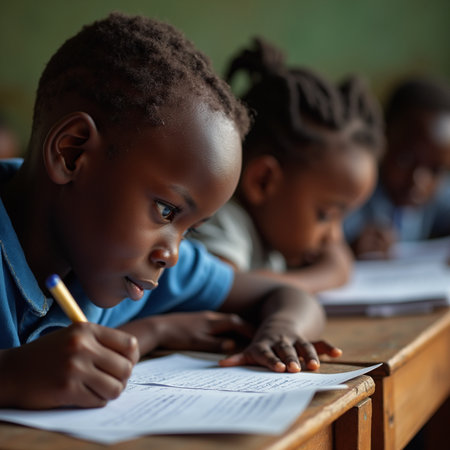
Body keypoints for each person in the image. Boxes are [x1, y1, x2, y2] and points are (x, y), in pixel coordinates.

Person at [0, 13, 341, 410]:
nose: (172, 253)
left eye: (189, 229)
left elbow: (287, 296)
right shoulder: (112, 255)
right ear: (72, 153)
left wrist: (279, 331)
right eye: (165, 212)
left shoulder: (120, 263)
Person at [190, 38, 384, 294]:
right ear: (263, 181)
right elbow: (221, 292)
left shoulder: (273, 239)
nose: (334, 237)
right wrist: (326, 275)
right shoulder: (223, 220)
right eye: (325, 215)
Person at [345, 76, 450, 259]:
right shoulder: (351, 196)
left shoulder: (435, 196)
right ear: (382, 138)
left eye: (436, 170)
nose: (418, 181)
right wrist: (347, 250)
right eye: (405, 159)